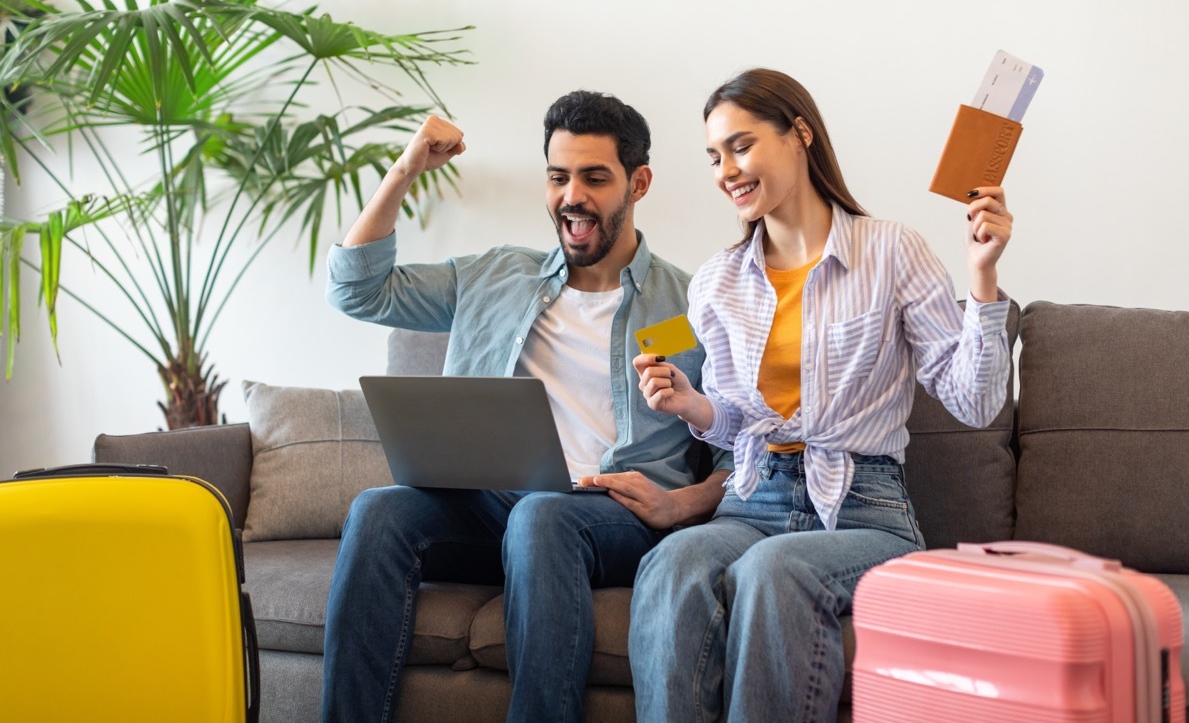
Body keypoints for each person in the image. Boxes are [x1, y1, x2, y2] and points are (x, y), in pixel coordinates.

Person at [322, 90, 732, 723]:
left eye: (595, 178)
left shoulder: (693, 303)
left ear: (639, 182)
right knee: (377, 510)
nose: (573, 196)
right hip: (493, 505)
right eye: (559, 177)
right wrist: (404, 169)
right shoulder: (493, 277)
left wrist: (679, 504)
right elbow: (358, 289)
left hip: (609, 514)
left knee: (543, 516)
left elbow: (749, 453)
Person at [628, 68, 1014, 723]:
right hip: (754, 499)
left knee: (774, 572)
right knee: (672, 563)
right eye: (715, 156)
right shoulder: (719, 282)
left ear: (800, 133)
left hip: (866, 509)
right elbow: (736, 421)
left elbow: (976, 401)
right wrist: (694, 406)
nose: (727, 170)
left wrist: (982, 278)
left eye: (742, 146)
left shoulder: (892, 251)